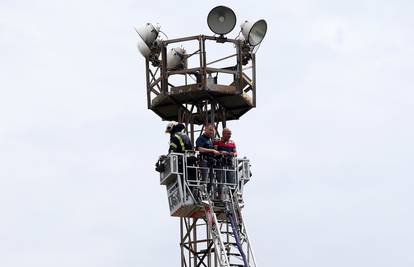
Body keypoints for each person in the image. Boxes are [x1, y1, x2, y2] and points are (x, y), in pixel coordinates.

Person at [196, 124, 221, 195]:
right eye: (210, 130)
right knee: (204, 179)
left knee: (211, 180)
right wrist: (212, 151)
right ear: (205, 129)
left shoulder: (210, 140)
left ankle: (208, 195)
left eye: (213, 130)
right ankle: (200, 194)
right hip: (204, 161)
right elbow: (200, 149)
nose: (212, 132)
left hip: (210, 162)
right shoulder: (201, 138)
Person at [213, 128, 237, 195]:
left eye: (230, 134)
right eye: (228, 134)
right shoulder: (216, 141)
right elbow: (214, 152)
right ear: (223, 134)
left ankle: (230, 196)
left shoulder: (232, 142)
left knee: (231, 181)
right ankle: (221, 196)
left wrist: (229, 153)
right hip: (219, 164)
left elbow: (235, 153)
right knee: (221, 181)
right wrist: (221, 153)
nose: (230, 135)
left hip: (229, 164)